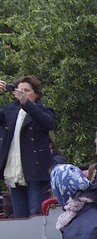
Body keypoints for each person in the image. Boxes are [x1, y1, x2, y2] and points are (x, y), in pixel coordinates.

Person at [0, 75, 57, 217]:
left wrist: (27, 103)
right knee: (20, 217)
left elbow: (48, 123)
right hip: (14, 171)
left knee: (35, 216)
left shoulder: (44, 110)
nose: (22, 93)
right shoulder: (10, 110)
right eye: (19, 90)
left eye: (26, 90)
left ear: (36, 94)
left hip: (35, 171)